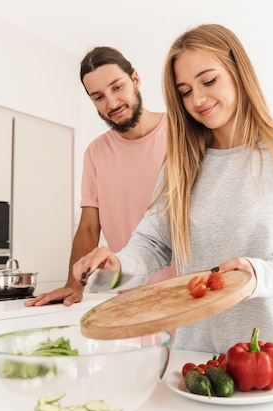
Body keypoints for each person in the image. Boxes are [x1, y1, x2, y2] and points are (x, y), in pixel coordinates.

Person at [72, 24, 273, 362]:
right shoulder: (180, 166)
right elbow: (153, 244)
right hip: (200, 356)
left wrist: (254, 275)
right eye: (184, 91)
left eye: (208, 81)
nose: (197, 99)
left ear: (237, 72)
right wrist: (116, 264)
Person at [25, 46, 174, 307]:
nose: (112, 103)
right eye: (99, 97)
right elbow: (89, 227)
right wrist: (73, 286)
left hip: (189, 289)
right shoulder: (96, 152)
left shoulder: (181, 132)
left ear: (135, 79)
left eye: (117, 87)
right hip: (132, 297)